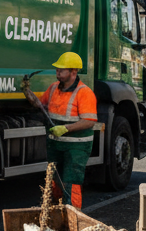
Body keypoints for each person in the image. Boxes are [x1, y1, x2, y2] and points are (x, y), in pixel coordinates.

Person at [25, 52, 98, 209]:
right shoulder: (53, 89)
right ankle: (56, 215)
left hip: (76, 147)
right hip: (57, 145)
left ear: (73, 72)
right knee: (55, 181)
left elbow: (89, 121)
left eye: (62, 70)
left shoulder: (84, 92)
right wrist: (27, 92)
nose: (57, 72)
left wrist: (65, 128)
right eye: (57, 69)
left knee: (71, 182)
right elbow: (40, 105)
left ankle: (73, 217)